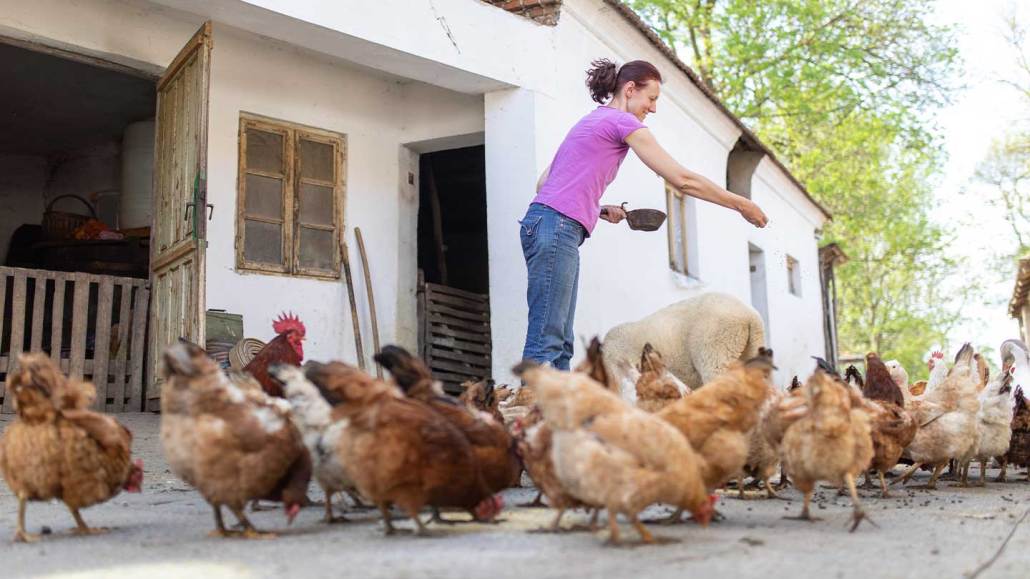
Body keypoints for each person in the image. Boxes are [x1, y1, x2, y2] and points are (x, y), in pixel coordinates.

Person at [519, 58, 769, 370]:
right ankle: (533, 400)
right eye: (651, 98)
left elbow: (544, 183)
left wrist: (595, 208)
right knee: (548, 339)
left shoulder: (591, 121)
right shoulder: (622, 123)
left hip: (545, 223)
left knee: (560, 343)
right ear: (630, 89)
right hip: (557, 227)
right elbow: (682, 180)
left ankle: (556, 401)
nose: (653, 108)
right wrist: (741, 204)